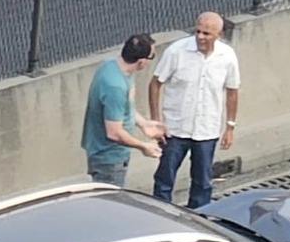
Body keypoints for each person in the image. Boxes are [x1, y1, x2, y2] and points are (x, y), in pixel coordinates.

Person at [148, 11, 241, 209]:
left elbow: (232, 91)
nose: (200, 37)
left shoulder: (227, 57)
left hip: (207, 130)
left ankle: (199, 218)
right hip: (175, 128)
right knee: (165, 178)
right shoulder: (176, 51)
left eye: (206, 33)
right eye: (198, 31)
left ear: (219, 35)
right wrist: (156, 121)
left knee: (203, 182)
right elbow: (155, 83)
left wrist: (230, 127)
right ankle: (161, 215)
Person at [81, 32, 166, 186]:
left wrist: (144, 124)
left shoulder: (113, 66)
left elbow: (124, 107)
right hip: (109, 158)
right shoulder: (115, 87)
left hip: (114, 155)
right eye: (151, 57)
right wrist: (144, 146)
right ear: (141, 62)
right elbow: (114, 133)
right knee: (111, 204)